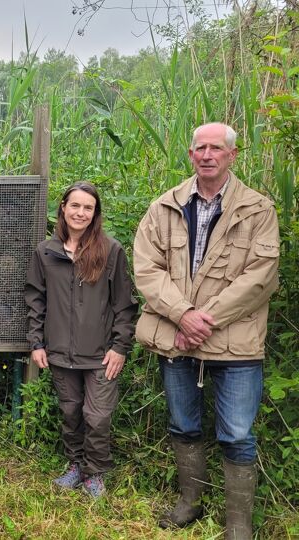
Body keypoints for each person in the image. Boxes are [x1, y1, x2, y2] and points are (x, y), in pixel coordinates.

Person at [133, 122, 279, 539]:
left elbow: (260, 277)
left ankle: (238, 525)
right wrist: (183, 315)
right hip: (177, 340)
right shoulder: (164, 207)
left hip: (236, 346)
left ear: (233, 155)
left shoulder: (258, 209)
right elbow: (146, 267)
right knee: (183, 425)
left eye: (217, 148)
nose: (208, 154)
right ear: (191, 154)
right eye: (201, 147)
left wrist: (202, 320)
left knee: (236, 435)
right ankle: (189, 503)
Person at [24, 182, 137, 498]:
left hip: (101, 354)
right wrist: (37, 342)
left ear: (95, 213)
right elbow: (35, 299)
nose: (80, 213)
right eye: (75, 205)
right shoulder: (46, 252)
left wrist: (120, 347)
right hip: (59, 351)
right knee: (71, 412)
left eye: (88, 207)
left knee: (97, 417)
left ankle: (95, 473)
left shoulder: (110, 251)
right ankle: (76, 465)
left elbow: (124, 304)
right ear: (63, 207)